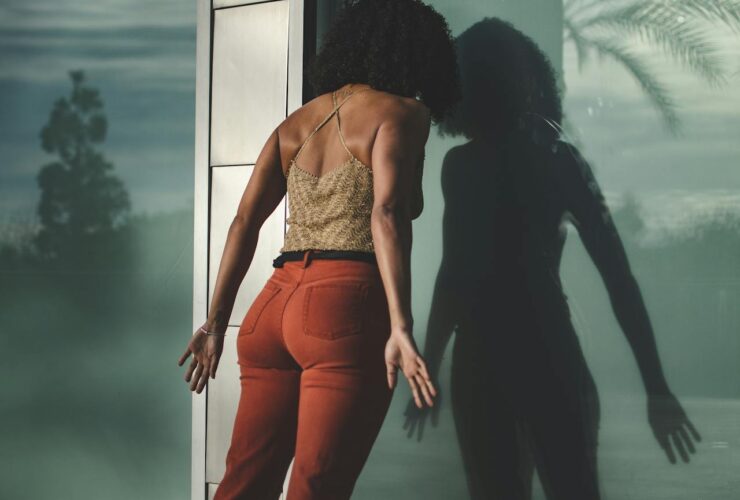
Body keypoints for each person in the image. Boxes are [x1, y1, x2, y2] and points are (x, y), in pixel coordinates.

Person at [403, 17, 701, 500]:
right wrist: (656, 386)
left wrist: (432, 365)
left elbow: (453, 276)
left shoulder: (462, 168)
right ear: (528, 80)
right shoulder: (558, 160)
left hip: (482, 358)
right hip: (547, 349)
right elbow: (617, 275)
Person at [177, 1, 461, 498]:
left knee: (243, 483)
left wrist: (215, 322)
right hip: (343, 308)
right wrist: (401, 326)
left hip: (271, 308)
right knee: (317, 488)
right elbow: (389, 213)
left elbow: (244, 220)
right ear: (415, 53)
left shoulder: (296, 123)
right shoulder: (403, 112)